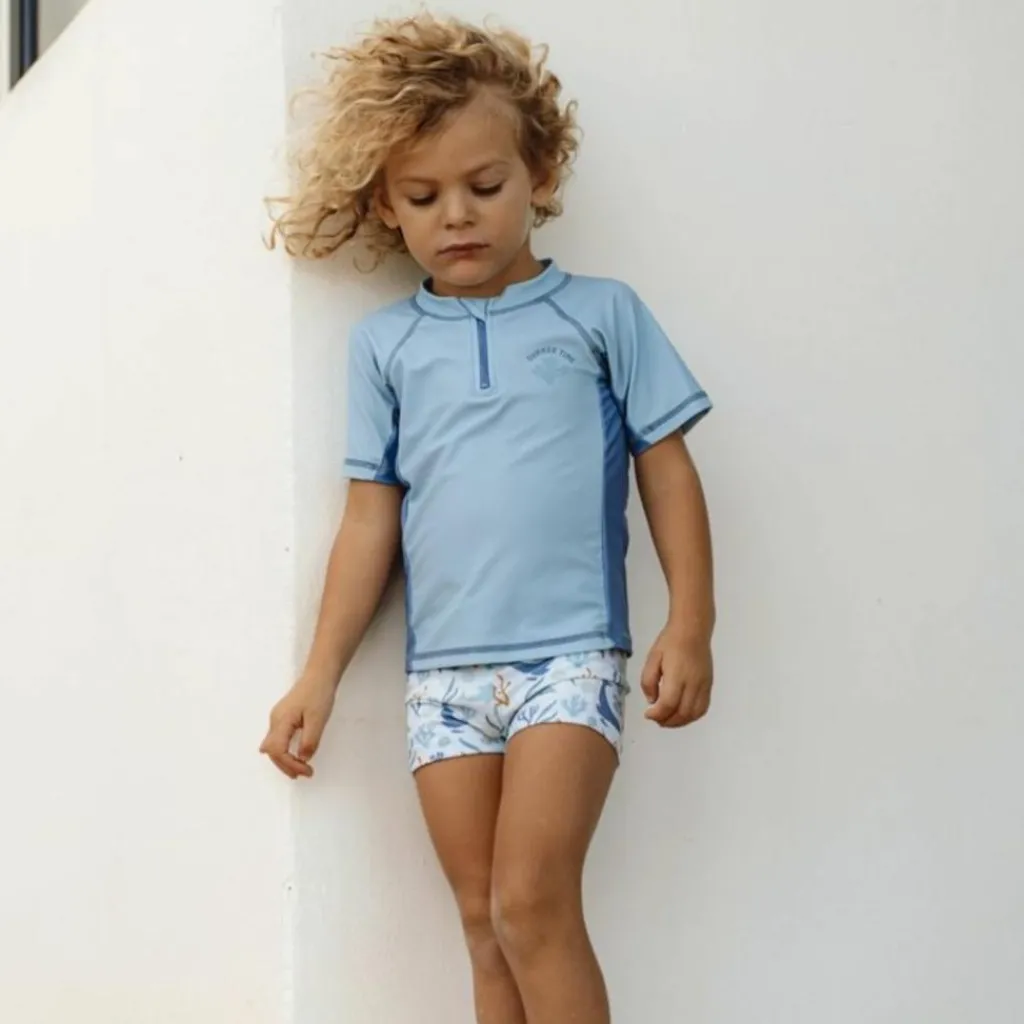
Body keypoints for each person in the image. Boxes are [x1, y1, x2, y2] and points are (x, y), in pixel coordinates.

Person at [260, 13, 715, 1023]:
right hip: (442, 678)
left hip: (569, 657)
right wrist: (317, 677)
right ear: (387, 204)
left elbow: (667, 470)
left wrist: (692, 621)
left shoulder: (601, 315)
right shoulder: (384, 348)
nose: (456, 216)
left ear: (539, 175)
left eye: (485, 185)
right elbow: (369, 523)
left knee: (532, 906)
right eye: (424, 196)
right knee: (483, 924)